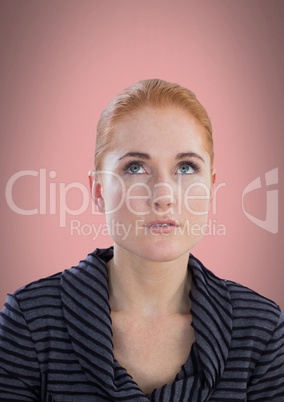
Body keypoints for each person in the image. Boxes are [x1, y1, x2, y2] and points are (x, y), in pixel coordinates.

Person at [0, 79, 283, 401]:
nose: (163, 196)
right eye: (135, 167)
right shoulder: (30, 320)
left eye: (186, 167)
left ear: (211, 188)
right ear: (98, 191)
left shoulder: (261, 328)